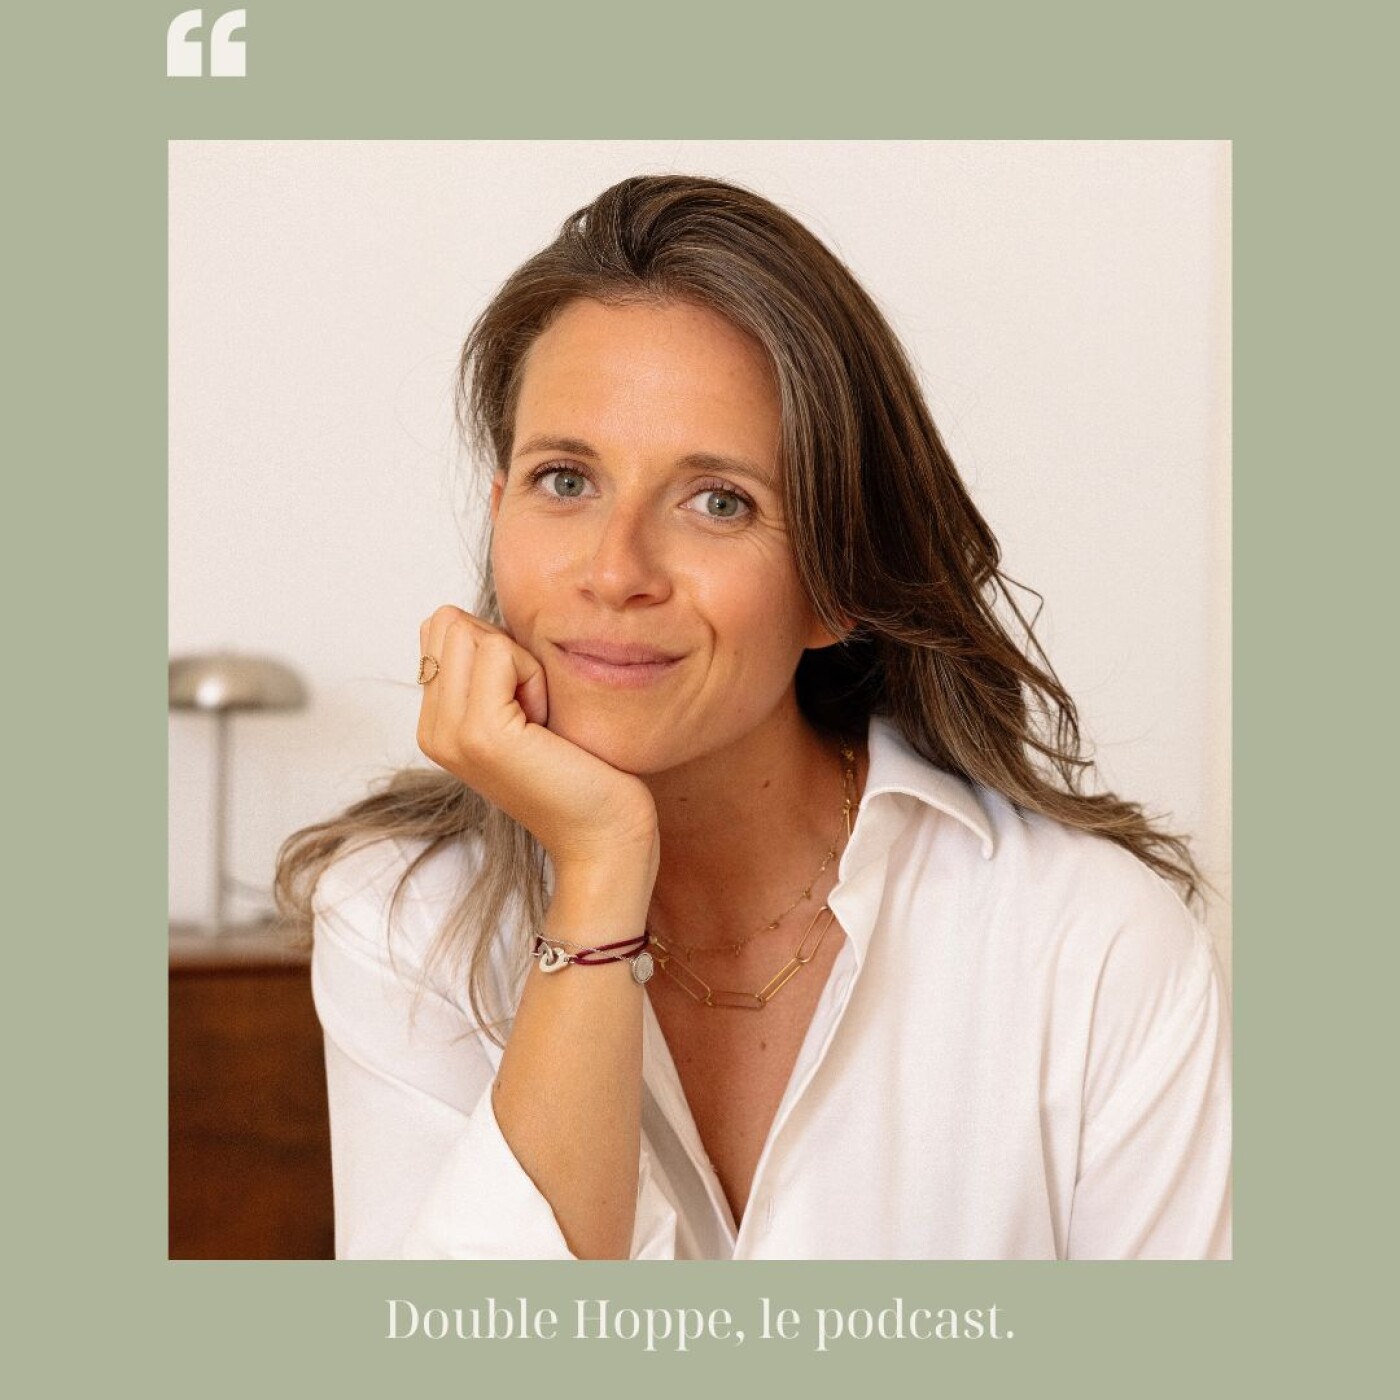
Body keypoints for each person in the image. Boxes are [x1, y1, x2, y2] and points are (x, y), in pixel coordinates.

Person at [275, 174, 1231, 1260]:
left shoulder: (1088, 943)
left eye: (718, 501)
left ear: (837, 578)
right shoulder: (403, 917)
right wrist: (599, 868)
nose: (614, 571)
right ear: (499, 516)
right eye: (566, 480)